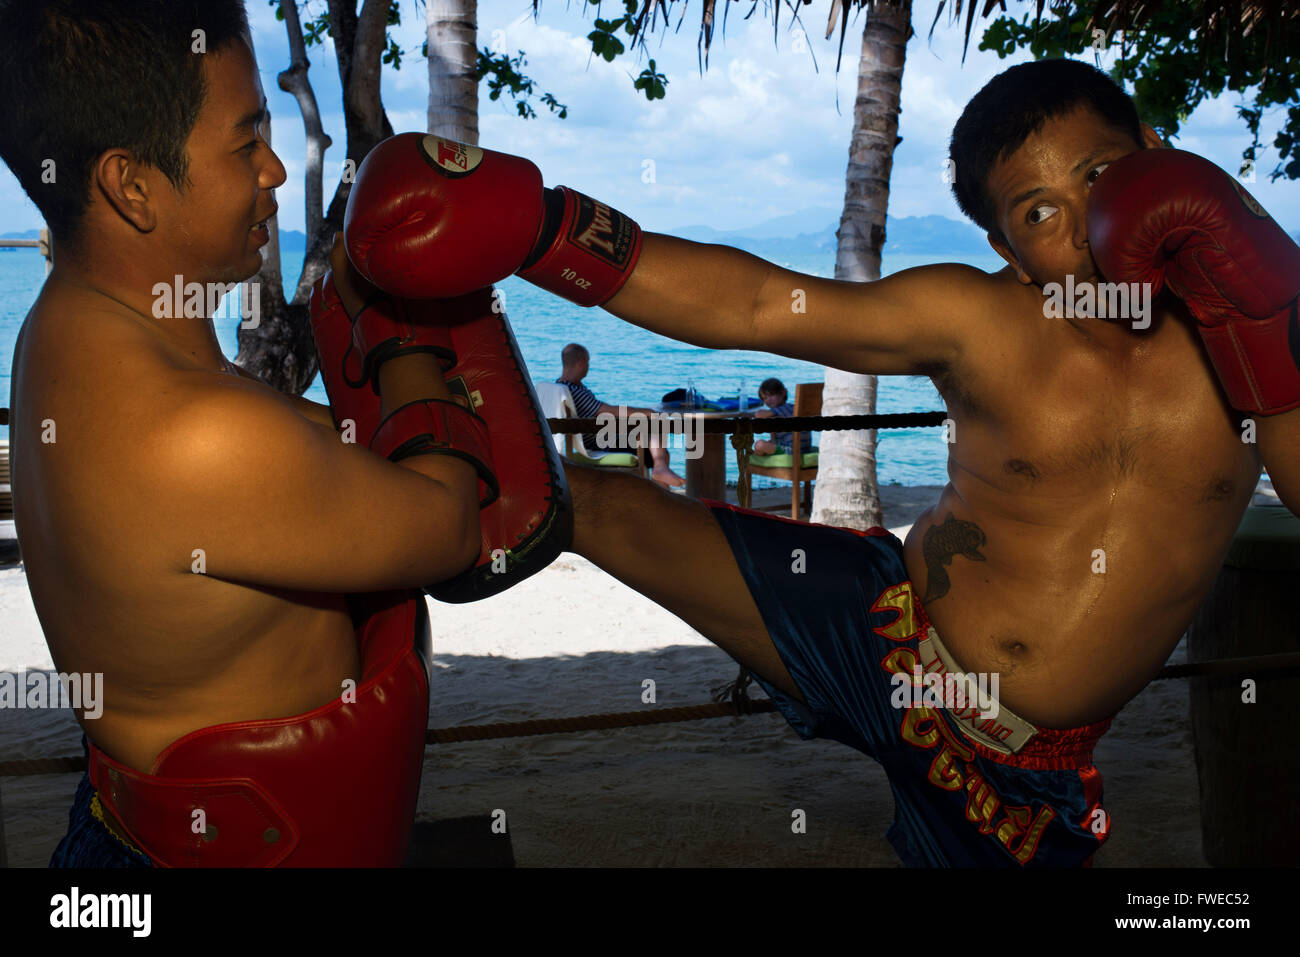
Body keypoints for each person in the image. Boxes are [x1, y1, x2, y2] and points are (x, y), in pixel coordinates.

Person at [341, 56, 1300, 866]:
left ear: (1159, 154)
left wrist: (1268, 324)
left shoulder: (1251, 342)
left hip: (1020, 772)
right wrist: (547, 229)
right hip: (882, 628)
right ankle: (398, 415)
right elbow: (763, 304)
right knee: (582, 501)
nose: (1085, 221)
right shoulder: (982, 319)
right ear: (1006, 248)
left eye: (1102, 173)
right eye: (1040, 212)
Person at [1, 0, 568, 866]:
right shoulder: (193, 435)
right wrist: (404, 331)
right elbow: (454, 524)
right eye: (244, 143)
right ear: (131, 186)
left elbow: (272, 444)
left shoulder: (64, 333)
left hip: (137, 827)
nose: (271, 168)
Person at [556, 342, 685, 488]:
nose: (588, 367)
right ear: (581, 362)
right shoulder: (574, 391)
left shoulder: (562, 387)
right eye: (587, 362)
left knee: (651, 436)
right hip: (601, 445)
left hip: (595, 440)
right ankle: (660, 475)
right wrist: (647, 412)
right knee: (652, 427)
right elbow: (610, 411)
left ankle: (660, 475)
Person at [749, 377, 812, 457]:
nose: (768, 400)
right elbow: (774, 440)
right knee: (764, 445)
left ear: (783, 393)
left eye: (771, 395)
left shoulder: (782, 409)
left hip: (791, 452)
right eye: (765, 398)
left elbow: (758, 415)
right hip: (806, 449)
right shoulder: (793, 408)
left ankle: (757, 459)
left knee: (759, 445)